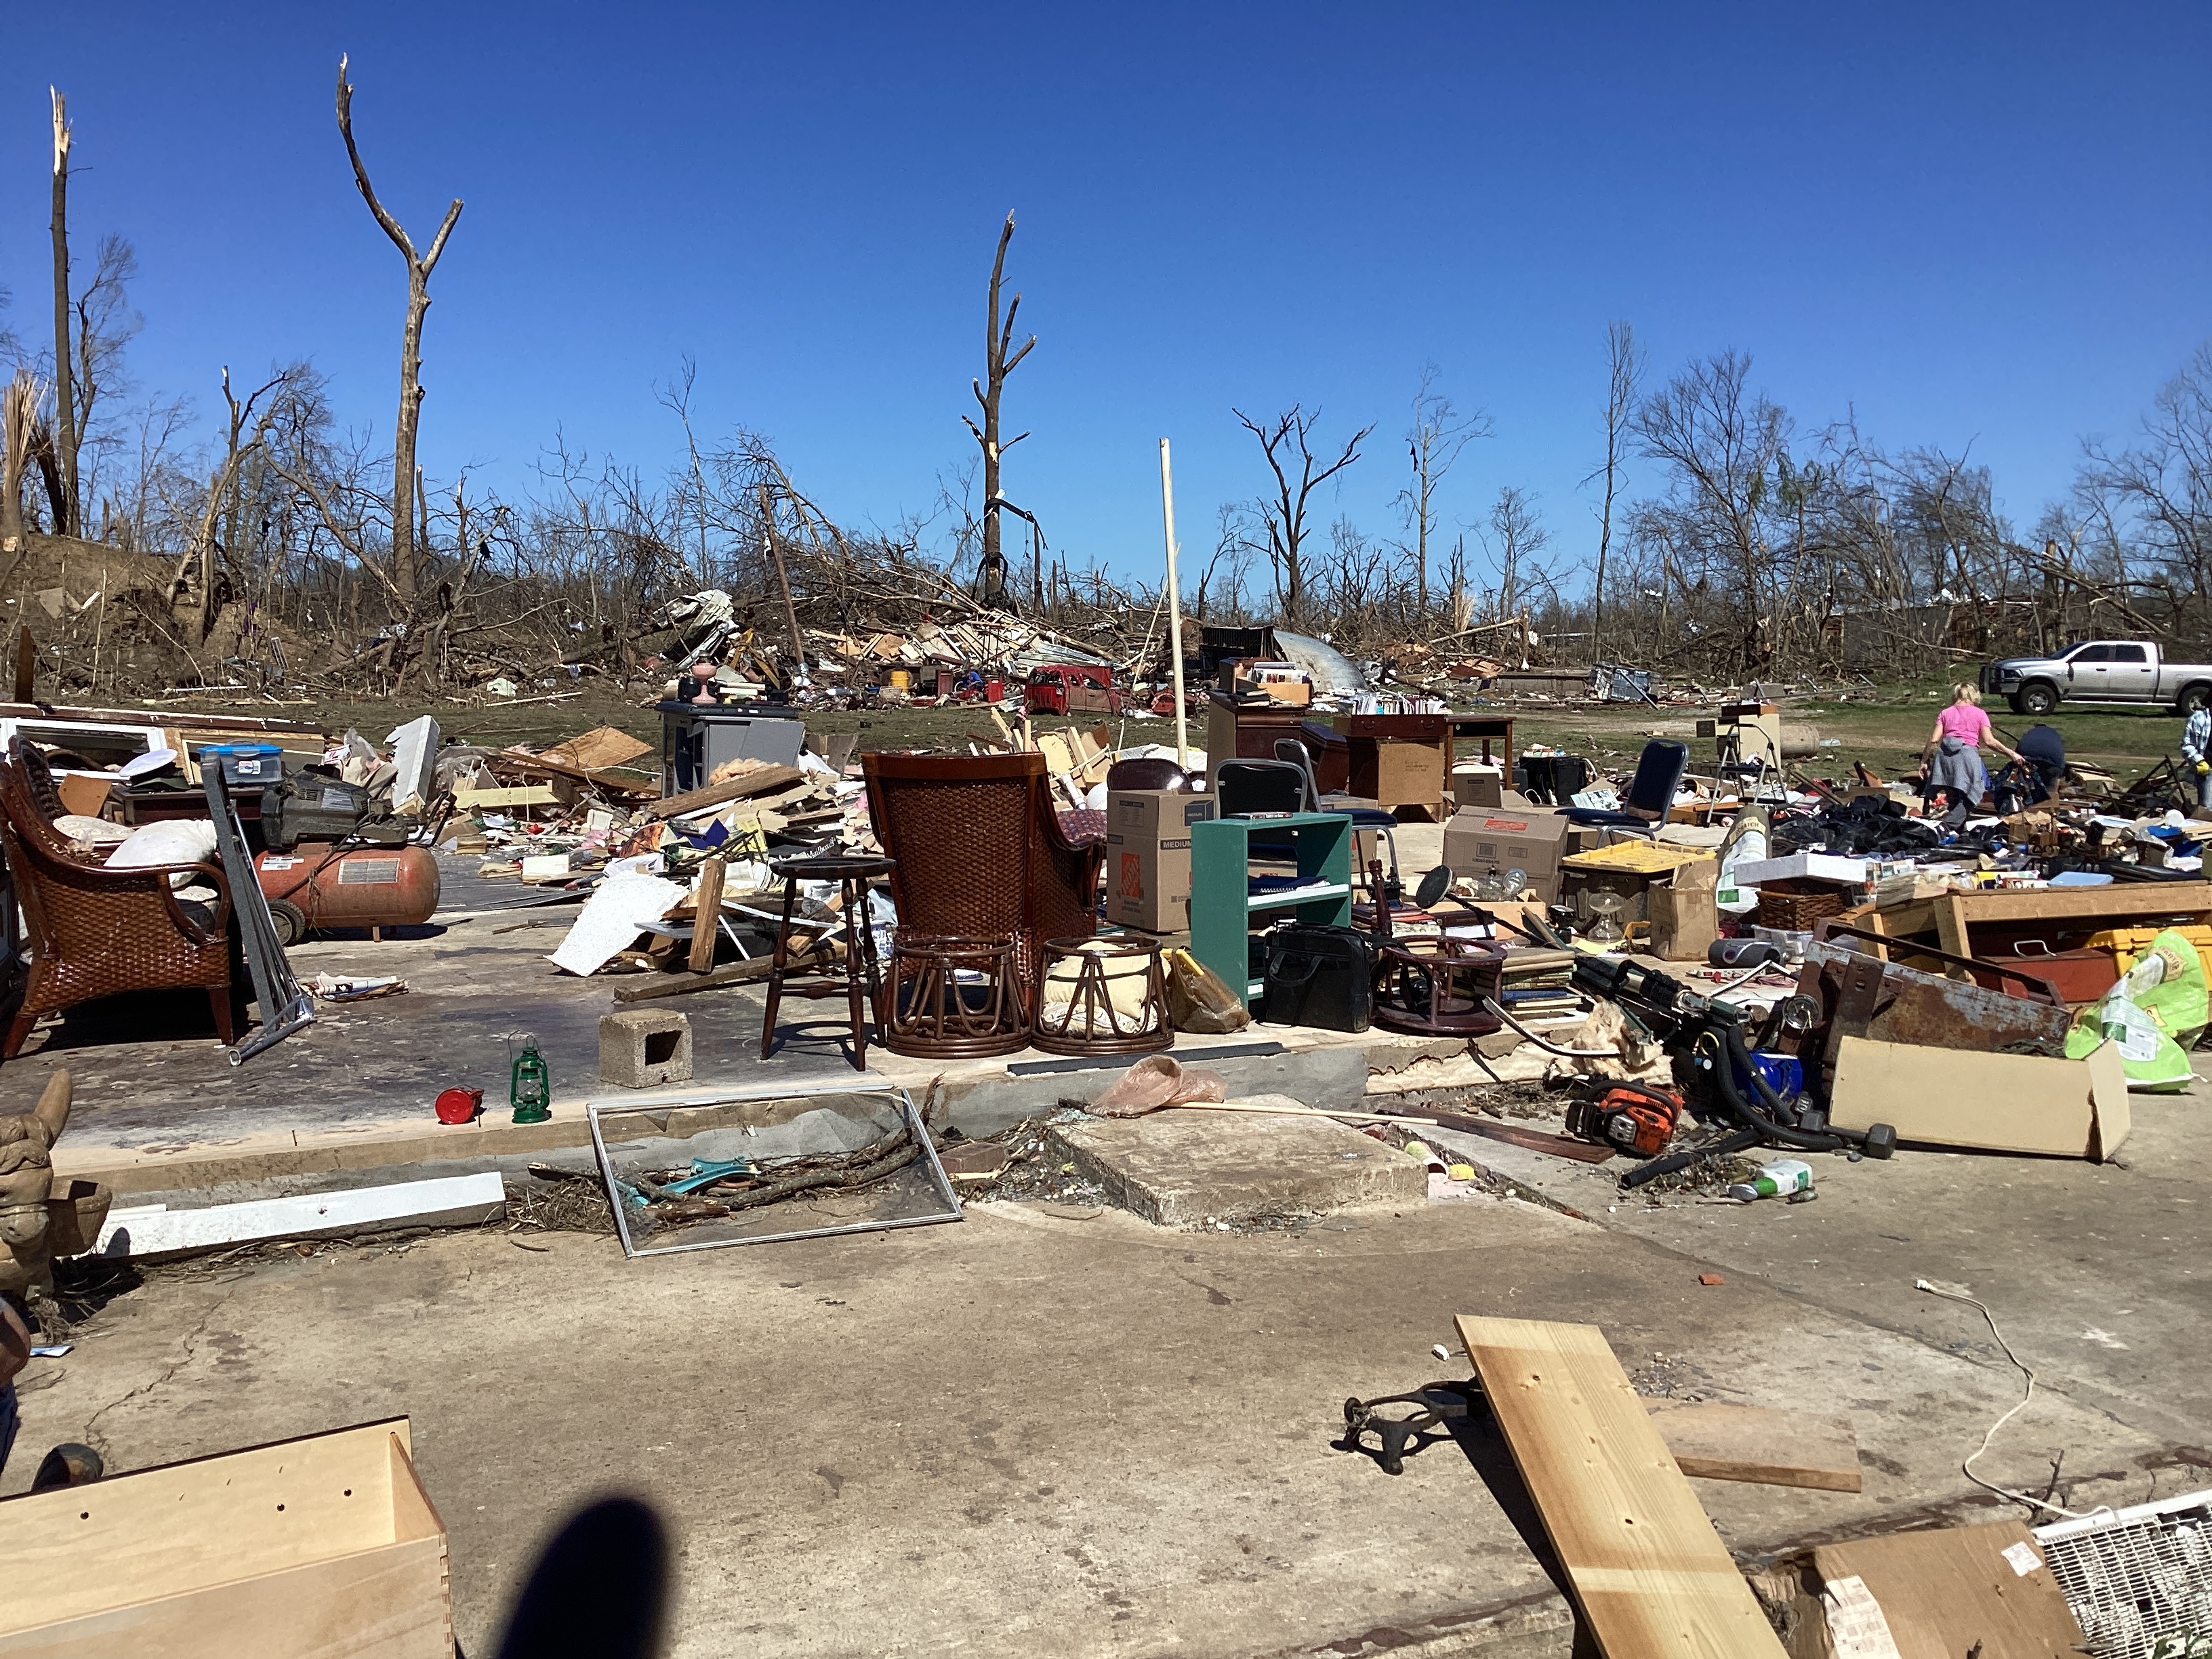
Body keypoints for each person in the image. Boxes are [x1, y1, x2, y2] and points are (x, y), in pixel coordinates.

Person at [1921, 684, 2023, 826]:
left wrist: (1924, 761)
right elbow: (1989, 741)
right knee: (1974, 793)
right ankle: (1947, 827)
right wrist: (2011, 753)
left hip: (1944, 755)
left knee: (1954, 796)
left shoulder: (1945, 713)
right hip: (1966, 755)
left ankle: (1958, 832)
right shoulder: (1979, 714)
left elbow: (1934, 740)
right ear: (1974, 696)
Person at [2182, 701, 2212, 809]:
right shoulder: (2199, 718)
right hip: (2208, 770)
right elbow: (2187, 745)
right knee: (2207, 809)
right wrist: (2199, 761)